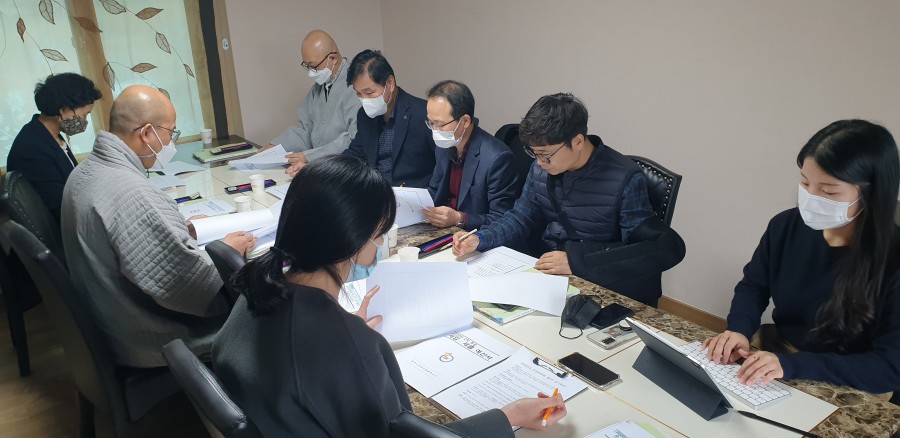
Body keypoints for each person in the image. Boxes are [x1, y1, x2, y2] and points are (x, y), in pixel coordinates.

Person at [213, 155, 567, 437]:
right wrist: (508, 417)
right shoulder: (347, 342)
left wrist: (343, 332)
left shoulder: (257, 285)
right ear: (354, 240)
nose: (381, 243)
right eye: (380, 233)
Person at [61, 85, 256, 367]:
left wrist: (178, 228)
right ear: (147, 133)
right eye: (170, 133)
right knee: (261, 301)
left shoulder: (85, 171)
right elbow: (191, 285)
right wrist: (226, 250)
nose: (170, 143)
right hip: (145, 335)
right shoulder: (129, 191)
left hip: (107, 318)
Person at [703, 120, 900, 396]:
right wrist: (739, 330)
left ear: (871, 193)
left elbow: (890, 367)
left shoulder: (892, 258)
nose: (811, 197)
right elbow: (754, 286)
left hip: (852, 381)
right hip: (778, 356)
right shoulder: (785, 226)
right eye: (805, 182)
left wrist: (792, 365)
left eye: (828, 191)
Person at [452, 93, 685, 306]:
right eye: (534, 154)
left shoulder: (625, 179)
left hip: (599, 285)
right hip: (549, 275)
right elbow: (521, 216)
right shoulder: (541, 169)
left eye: (546, 155)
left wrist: (577, 262)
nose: (539, 163)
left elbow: (638, 250)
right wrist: (482, 238)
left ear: (578, 142)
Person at [260, 30, 360, 177]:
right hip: (319, 167)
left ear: (332, 58)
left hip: (346, 169)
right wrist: (276, 147)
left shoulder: (358, 86)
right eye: (307, 66)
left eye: (313, 66)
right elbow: (305, 130)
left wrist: (311, 157)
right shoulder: (318, 88)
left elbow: (354, 137)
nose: (310, 72)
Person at [423, 80, 520, 230]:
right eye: (431, 123)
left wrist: (459, 218)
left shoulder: (497, 158)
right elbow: (434, 190)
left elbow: (502, 219)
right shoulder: (444, 146)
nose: (435, 131)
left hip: (475, 235)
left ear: (465, 121)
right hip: (443, 230)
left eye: (440, 124)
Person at [7, 73, 101, 222]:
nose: (85, 121)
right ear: (64, 109)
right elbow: (59, 206)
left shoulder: (51, 135)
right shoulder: (32, 148)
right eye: (84, 115)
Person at [343, 49, 437, 188]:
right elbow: (355, 154)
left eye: (369, 92)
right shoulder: (364, 115)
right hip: (376, 192)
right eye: (359, 94)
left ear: (390, 83)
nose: (364, 100)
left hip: (414, 194)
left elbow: (443, 166)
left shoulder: (422, 113)